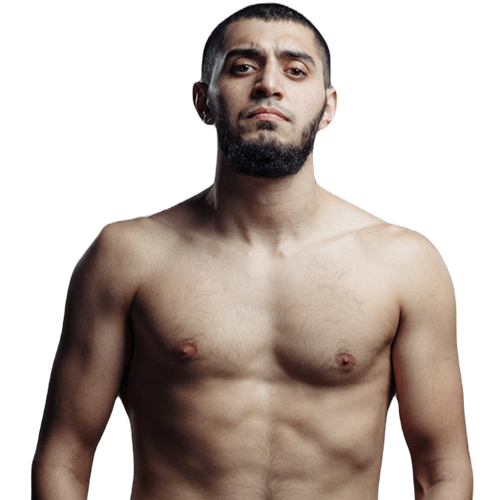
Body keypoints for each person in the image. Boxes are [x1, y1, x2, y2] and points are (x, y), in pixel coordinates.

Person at [31, 3, 473, 499]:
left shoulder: (404, 263)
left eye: (295, 70)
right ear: (203, 101)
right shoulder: (127, 256)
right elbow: (64, 457)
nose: (269, 84)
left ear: (328, 107)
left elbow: (441, 471)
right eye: (243, 66)